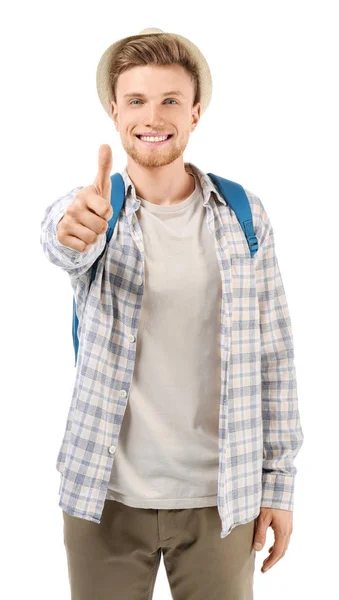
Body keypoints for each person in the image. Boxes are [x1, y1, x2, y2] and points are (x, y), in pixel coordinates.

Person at [40, 27, 304, 600]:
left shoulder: (242, 215)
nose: (152, 116)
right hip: (103, 498)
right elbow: (63, 240)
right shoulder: (94, 210)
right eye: (136, 100)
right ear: (114, 111)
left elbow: (275, 355)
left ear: (195, 114)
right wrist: (73, 229)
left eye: (170, 101)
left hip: (221, 501)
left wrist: (278, 487)